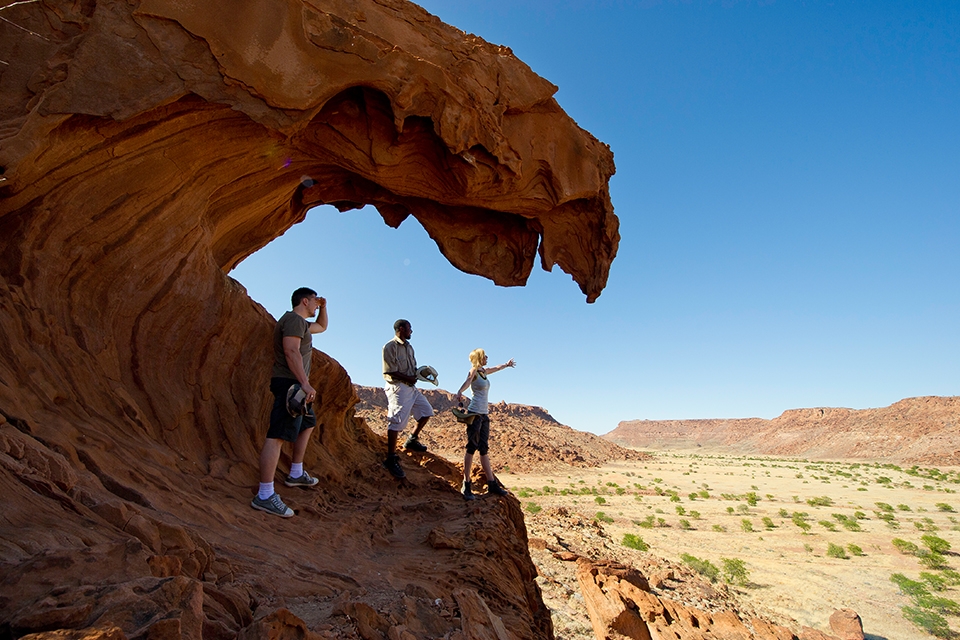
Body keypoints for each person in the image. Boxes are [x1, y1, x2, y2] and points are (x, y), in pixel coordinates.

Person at [251, 287, 328, 517]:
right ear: (304, 301)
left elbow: (322, 327)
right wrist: (304, 383)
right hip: (290, 386)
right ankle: (264, 495)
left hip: (296, 387)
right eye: (314, 301)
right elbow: (291, 350)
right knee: (277, 436)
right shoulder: (294, 320)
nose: (316, 304)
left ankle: (296, 472)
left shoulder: (303, 324)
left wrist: (324, 306)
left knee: (308, 423)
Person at [455, 349, 515, 500]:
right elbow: (468, 381)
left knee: (483, 449)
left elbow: (496, 368)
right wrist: (460, 391)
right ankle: (466, 483)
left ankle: (492, 483)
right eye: (485, 355)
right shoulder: (474, 370)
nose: (487, 357)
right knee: (471, 447)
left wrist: (506, 365)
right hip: (475, 414)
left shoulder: (484, 371)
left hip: (484, 414)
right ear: (479, 358)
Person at [382, 319, 434, 479]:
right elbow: (389, 371)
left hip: (411, 387)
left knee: (427, 412)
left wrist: (420, 374)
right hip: (398, 387)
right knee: (396, 421)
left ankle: (412, 439)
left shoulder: (409, 347)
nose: (411, 331)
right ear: (401, 329)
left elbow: (411, 368)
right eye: (409, 328)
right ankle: (390, 457)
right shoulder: (390, 346)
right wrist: (408, 378)